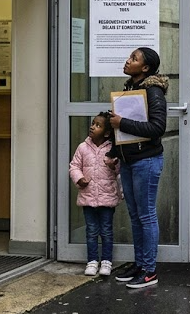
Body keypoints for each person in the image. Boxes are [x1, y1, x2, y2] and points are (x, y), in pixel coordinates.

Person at [106, 47, 167, 289]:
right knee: (134, 215)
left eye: (133, 58)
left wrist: (123, 122)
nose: (127, 60)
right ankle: (140, 263)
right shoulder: (129, 88)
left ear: (145, 68)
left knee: (146, 215)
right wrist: (113, 153)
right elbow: (122, 131)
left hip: (147, 160)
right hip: (129, 160)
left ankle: (150, 270)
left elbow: (157, 128)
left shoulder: (153, 91)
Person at [69, 112, 120, 277]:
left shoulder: (113, 149)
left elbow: (120, 170)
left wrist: (113, 166)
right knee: (91, 230)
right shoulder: (82, 147)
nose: (92, 127)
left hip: (107, 197)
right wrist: (79, 178)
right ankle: (92, 261)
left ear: (106, 132)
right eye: (93, 123)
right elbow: (74, 166)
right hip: (88, 197)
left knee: (106, 230)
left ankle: (106, 261)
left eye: (98, 125)